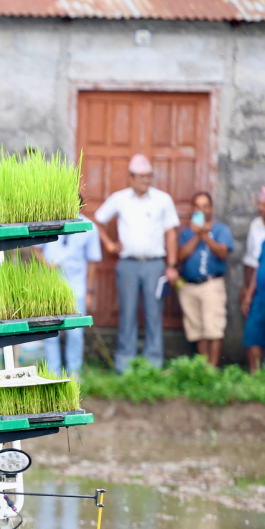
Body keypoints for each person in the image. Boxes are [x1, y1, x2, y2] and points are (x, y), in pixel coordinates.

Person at [93, 154, 180, 373]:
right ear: (131, 177)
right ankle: (125, 365)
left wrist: (171, 265)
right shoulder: (119, 199)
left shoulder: (163, 199)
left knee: (154, 314)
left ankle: (153, 365)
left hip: (155, 265)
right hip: (128, 265)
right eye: (141, 176)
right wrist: (110, 245)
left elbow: (171, 232)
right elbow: (98, 221)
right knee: (127, 313)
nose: (145, 180)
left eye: (148, 176)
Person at [36, 195, 102, 377]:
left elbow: (93, 261)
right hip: (50, 285)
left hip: (76, 287)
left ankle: (74, 373)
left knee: (75, 333)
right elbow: (35, 247)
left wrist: (89, 292)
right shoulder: (48, 222)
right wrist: (45, 263)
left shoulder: (88, 227)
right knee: (49, 330)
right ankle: (53, 372)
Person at [176, 191, 233, 367]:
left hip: (211, 284)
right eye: (197, 206)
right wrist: (197, 235)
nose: (200, 210)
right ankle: (204, 369)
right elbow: (180, 256)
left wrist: (205, 236)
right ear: (192, 208)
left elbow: (222, 253)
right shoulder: (186, 232)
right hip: (189, 286)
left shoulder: (221, 229)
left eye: (205, 206)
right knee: (197, 330)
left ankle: (212, 370)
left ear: (211, 208)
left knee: (213, 329)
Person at [240, 188, 265, 320]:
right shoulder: (255, 225)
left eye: (263, 205)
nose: (260, 208)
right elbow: (251, 260)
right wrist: (246, 287)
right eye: (259, 204)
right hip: (257, 290)